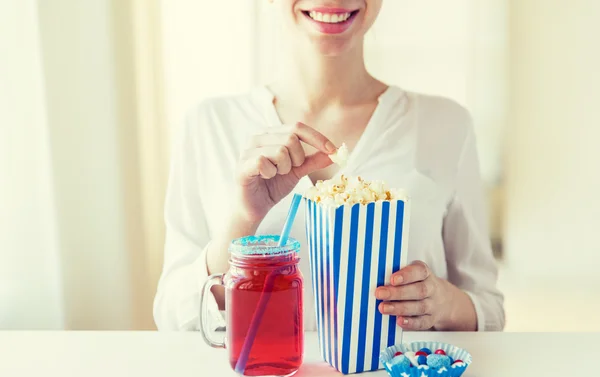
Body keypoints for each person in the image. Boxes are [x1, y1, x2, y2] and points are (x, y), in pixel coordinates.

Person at [153, 0, 505, 333]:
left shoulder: (446, 124)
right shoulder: (208, 125)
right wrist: (244, 219)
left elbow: (488, 308)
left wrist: (444, 303)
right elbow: (172, 314)